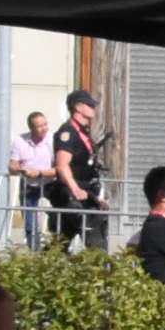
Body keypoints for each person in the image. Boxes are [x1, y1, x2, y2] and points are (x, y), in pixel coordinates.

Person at [45, 89, 104, 247]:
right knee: (95, 244)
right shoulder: (68, 132)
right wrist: (75, 189)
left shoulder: (82, 132)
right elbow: (62, 165)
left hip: (85, 193)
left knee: (60, 243)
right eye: (89, 105)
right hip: (72, 196)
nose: (93, 108)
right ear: (78, 107)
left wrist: (96, 197)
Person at [8, 110, 53, 248]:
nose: (44, 128)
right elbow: (12, 165)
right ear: (31, 128)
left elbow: (60, 167)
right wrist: (19, 169)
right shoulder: (20, 141)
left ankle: (56, 247)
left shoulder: (52, 140)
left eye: (45, 124)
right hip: (28, 184)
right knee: (29, 220)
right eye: (39, 126)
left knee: (59, 215)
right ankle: (34, 250)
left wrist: (39, 173)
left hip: (51, 183)